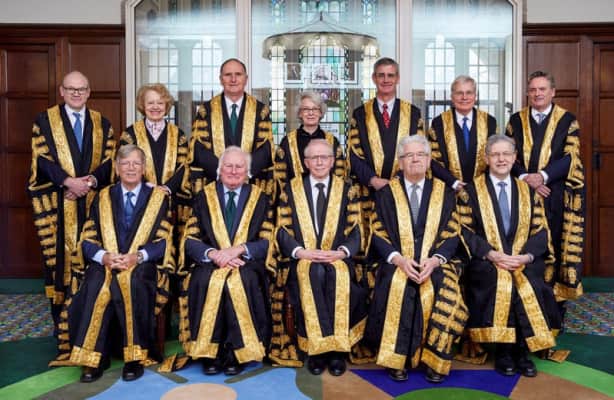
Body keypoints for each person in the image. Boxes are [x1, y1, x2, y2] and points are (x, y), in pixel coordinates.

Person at [49, 144, 174, 383]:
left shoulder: (159, 199)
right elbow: (87, 238)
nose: (131, 168)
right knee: (96, 281)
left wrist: (137, 257)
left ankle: (134, 357)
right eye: (125, 163)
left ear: (144, 168)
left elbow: (164, 241)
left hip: (141, 264)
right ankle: (95, 357)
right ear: (116, 168)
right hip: (107, 260)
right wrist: (104, 256)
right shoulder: (103, 197)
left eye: (136, 163)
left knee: (134, 281)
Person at [365, 134, 467, 383]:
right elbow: (377, 232)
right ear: (400, 162)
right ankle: (396, 358)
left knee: (444, 287)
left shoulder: (444, 193)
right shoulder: (386, 193)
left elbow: (453, 232)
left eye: (420, 155)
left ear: (429, 160)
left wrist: (435, 260)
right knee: (397, 284)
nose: (415, 159)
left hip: (435, 262)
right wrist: (399, 260)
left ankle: (435, 359)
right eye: (409, 155)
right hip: (397, 262)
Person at [458, 134, 561, 378]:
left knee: (530, 282)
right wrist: (491, 254)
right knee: (499, 281)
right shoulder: (470, 192)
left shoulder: (528, 192)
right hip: (487, 260)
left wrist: (525, 257)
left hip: (522, 260)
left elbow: (540, 230)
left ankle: (522, 351)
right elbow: (464, 230)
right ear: (486, 158)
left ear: (515, 158)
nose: (501, 159)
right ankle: (504, 352)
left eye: (506, 154)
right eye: (495, 154)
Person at [27, 70, 116, 331]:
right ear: (62, 92)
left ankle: (93, 326)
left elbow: (110, 161)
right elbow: (41, 160)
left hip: (92, 204)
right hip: (58, 203)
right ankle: (63, 330)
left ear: (88, 92)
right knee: (60, 265)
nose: (76, 93)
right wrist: (68, 182)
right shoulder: (44, 121)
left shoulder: (102, 123)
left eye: (81, 89)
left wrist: (88, 183)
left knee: (94, 260)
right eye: (71, 89)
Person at [269, 139, 367, 376]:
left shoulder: (347, 189)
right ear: (306, 162)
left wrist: (341, 252)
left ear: (333, 161)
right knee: (314, 273)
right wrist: (300, 252)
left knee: (335, 275)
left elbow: (356, 228)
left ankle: (336, 351)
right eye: (314, 158)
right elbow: (281, 228)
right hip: (304, 258)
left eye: (324, 157)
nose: (320, 162)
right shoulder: (291, 190)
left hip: (338, 257)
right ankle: (317, 350)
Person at [179, 146, 273, 376]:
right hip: (211, 260)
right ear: (219, 170)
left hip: (245, 262)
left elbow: (268, 239)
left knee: (243, 281)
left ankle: (236, 354)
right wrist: (213, 254)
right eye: (228, 166)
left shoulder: (260, 198)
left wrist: (239, 250)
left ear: (247, 171)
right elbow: (190, 238)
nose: (233, 171)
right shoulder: (204, 197)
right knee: (204, 280)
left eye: (239, 166)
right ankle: (209, 354)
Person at [506, 71, 585, 308]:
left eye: (542, 89)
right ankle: (525, 299)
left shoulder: (567, 120)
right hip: (523, 193)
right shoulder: (516, 120)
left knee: (555, 241)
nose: (537, 94)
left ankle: (554, 303)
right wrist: (526, 177)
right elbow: (507, 155)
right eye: (533, 89)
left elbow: (571, 157)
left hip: (554, 193)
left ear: (553, 92)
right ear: (527, 93)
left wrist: (542, 177)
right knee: (525, 242)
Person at [188, 58, 274, 197]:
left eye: (238, 74)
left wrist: (244, 172)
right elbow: (198, 148)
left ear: (246, 79)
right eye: (228, 75)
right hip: (214, 186)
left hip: (250, 187)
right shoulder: (206, 111)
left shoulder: (260, 111)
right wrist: (222, 172)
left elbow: (265, 149)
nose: (233, 79)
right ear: (221, 79)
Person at [120, 83, 189, 201]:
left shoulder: (179, 135)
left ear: (166, 106)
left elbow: (183, 167)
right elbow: (126, 165)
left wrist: (167, 188)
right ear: (143, 105)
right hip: (140, 197)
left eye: (160, 103)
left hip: (171, 199)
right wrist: (149, 187)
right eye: (150, 103)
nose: (155, 107)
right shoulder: (129, 134)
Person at [428, 75, 498, 190]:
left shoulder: (489, 122)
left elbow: (495, 156)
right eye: (459, 93)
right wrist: (452, 182)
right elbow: (433, 159)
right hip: (449, 189)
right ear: (452, 96)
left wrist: (482, 184)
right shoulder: (439, 123)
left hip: (483, 189)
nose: (464, 97)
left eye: (469, 93)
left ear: (475, 96)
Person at [274, 91, 346, 193]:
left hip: (326, 197)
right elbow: (280, 177)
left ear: (321, 112)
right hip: (295, 198)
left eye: (315, 109)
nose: (311, 113)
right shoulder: (287, 142)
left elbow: (339, 175)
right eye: (306, 109)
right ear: (300, 113)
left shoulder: (332, 141)